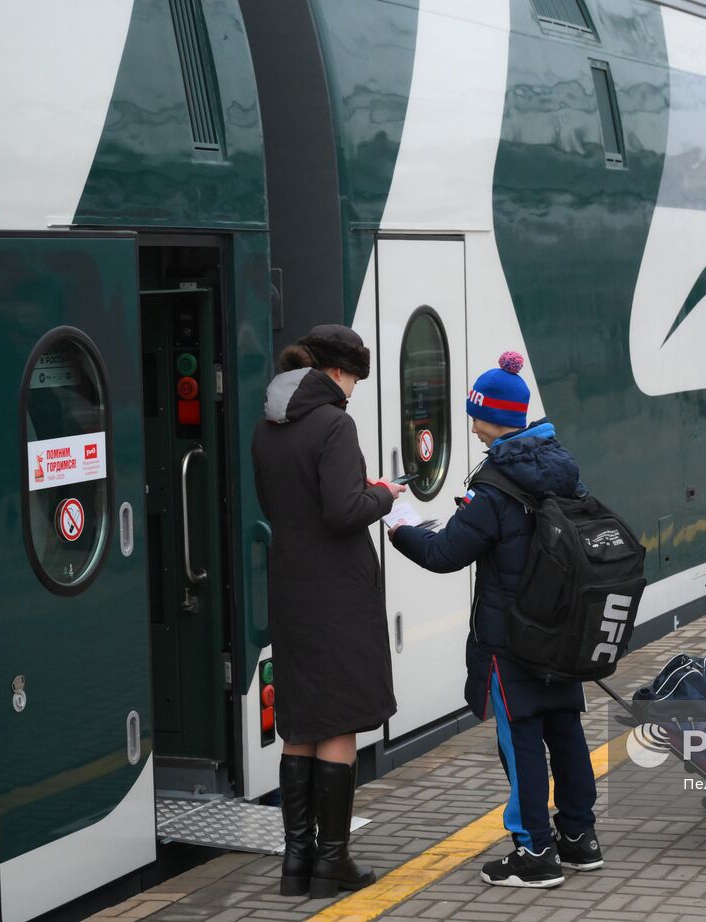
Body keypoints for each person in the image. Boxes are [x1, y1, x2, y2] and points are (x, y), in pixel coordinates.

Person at [389, 352, 600, 889]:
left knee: (522, 739)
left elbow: (443, 554)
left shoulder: (495, 485)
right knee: (566, 728)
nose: (471, 422)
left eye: (474, 413)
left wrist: (400, 527)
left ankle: (534, 853)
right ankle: (579, 839)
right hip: (561, 629)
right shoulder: (560, 466)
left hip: (512, 638)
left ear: (490, 417)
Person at [250, 325, 405, 898]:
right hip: (336, 591)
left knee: (300, 721)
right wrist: (384, 495)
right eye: (354, 379)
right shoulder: (335, 424)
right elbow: (343, 512)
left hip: (291, 586)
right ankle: (332, 862)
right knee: (337, 719)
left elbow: (289, 502)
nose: (354, 391)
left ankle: (297, 862)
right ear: (336, 372)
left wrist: (352, 490)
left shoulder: (268, 424)